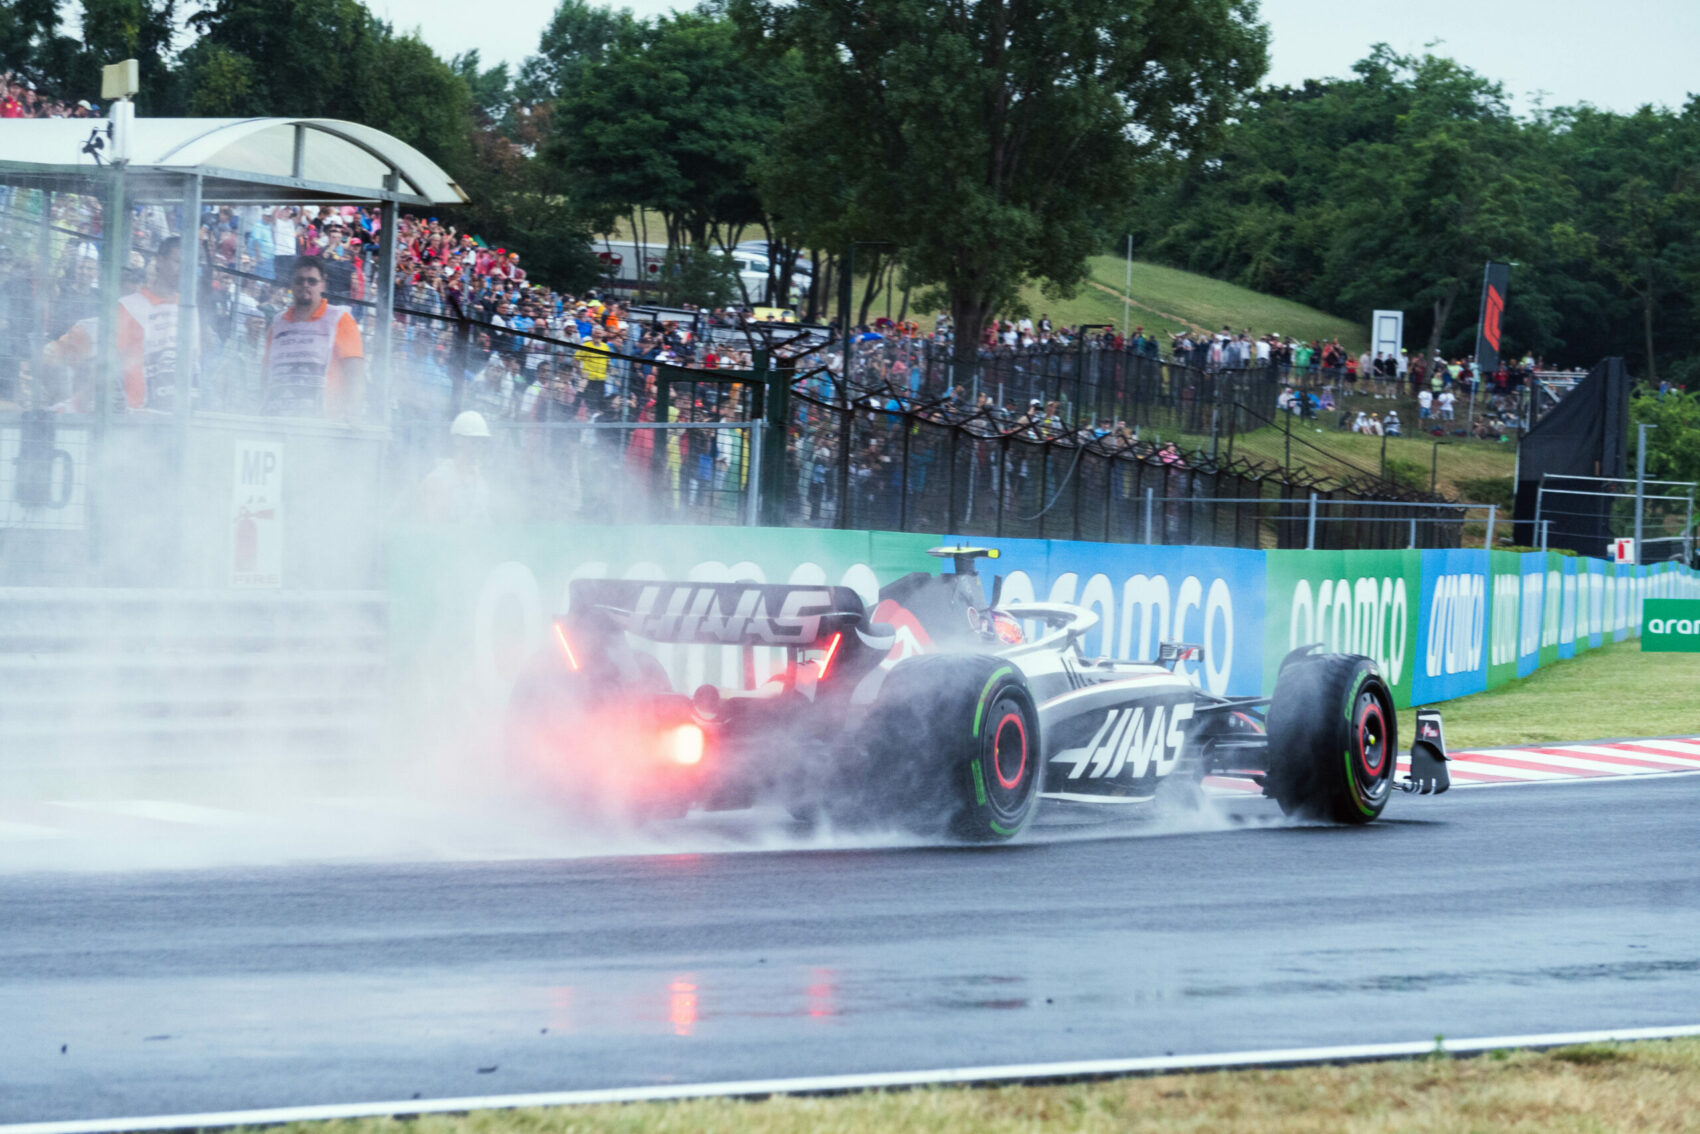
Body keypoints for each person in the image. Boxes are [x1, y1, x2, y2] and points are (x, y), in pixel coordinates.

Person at [261, 257, 364, 420]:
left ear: (323, 284)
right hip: (277, 418)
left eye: (312, 281)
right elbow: (266, 373)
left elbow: (355, 373)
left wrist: (351, 413)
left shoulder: (340, 319)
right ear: (292, 284)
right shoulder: (277, 324)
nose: (305, 285)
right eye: (299, 280)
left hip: (325, 422)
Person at [115, 236, 194, 411]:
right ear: (159, 261)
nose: (182, 270)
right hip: (137, 413)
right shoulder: (129, 306)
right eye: (177, 261)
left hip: (178, 413)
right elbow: (113, 361)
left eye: (187, 265)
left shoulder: (189, 309)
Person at [418, 410, 493, 523]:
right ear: (458, 440)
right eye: (474, 441)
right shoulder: (438, 480)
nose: (479, 447)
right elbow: (431, 524)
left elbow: (484, 520)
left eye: (482, 442)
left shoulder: (479, 481)